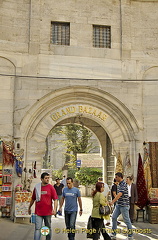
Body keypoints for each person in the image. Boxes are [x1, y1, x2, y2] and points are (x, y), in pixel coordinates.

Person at [28, 172, 58, 240]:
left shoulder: (51, 187)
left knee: (48, 228)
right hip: (39, 212)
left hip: (48, 212)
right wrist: (29, 207)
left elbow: (55, 199)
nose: (47, 179)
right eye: (46, 178)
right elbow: (33, 199)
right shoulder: (37, 187)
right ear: (41, 179)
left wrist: (55, 209)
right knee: (38, 228)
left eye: (48, 178)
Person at [109, 172, 133, 240]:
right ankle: (113, 233)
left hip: (124, 206)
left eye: (116, 177)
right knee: (113, 217)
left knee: (126, 220)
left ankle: (130, 236)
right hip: (118, 205)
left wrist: (113, 201)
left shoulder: (123, 184)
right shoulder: (119, 184)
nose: (115, 178)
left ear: (120, 177)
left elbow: (119, 194)